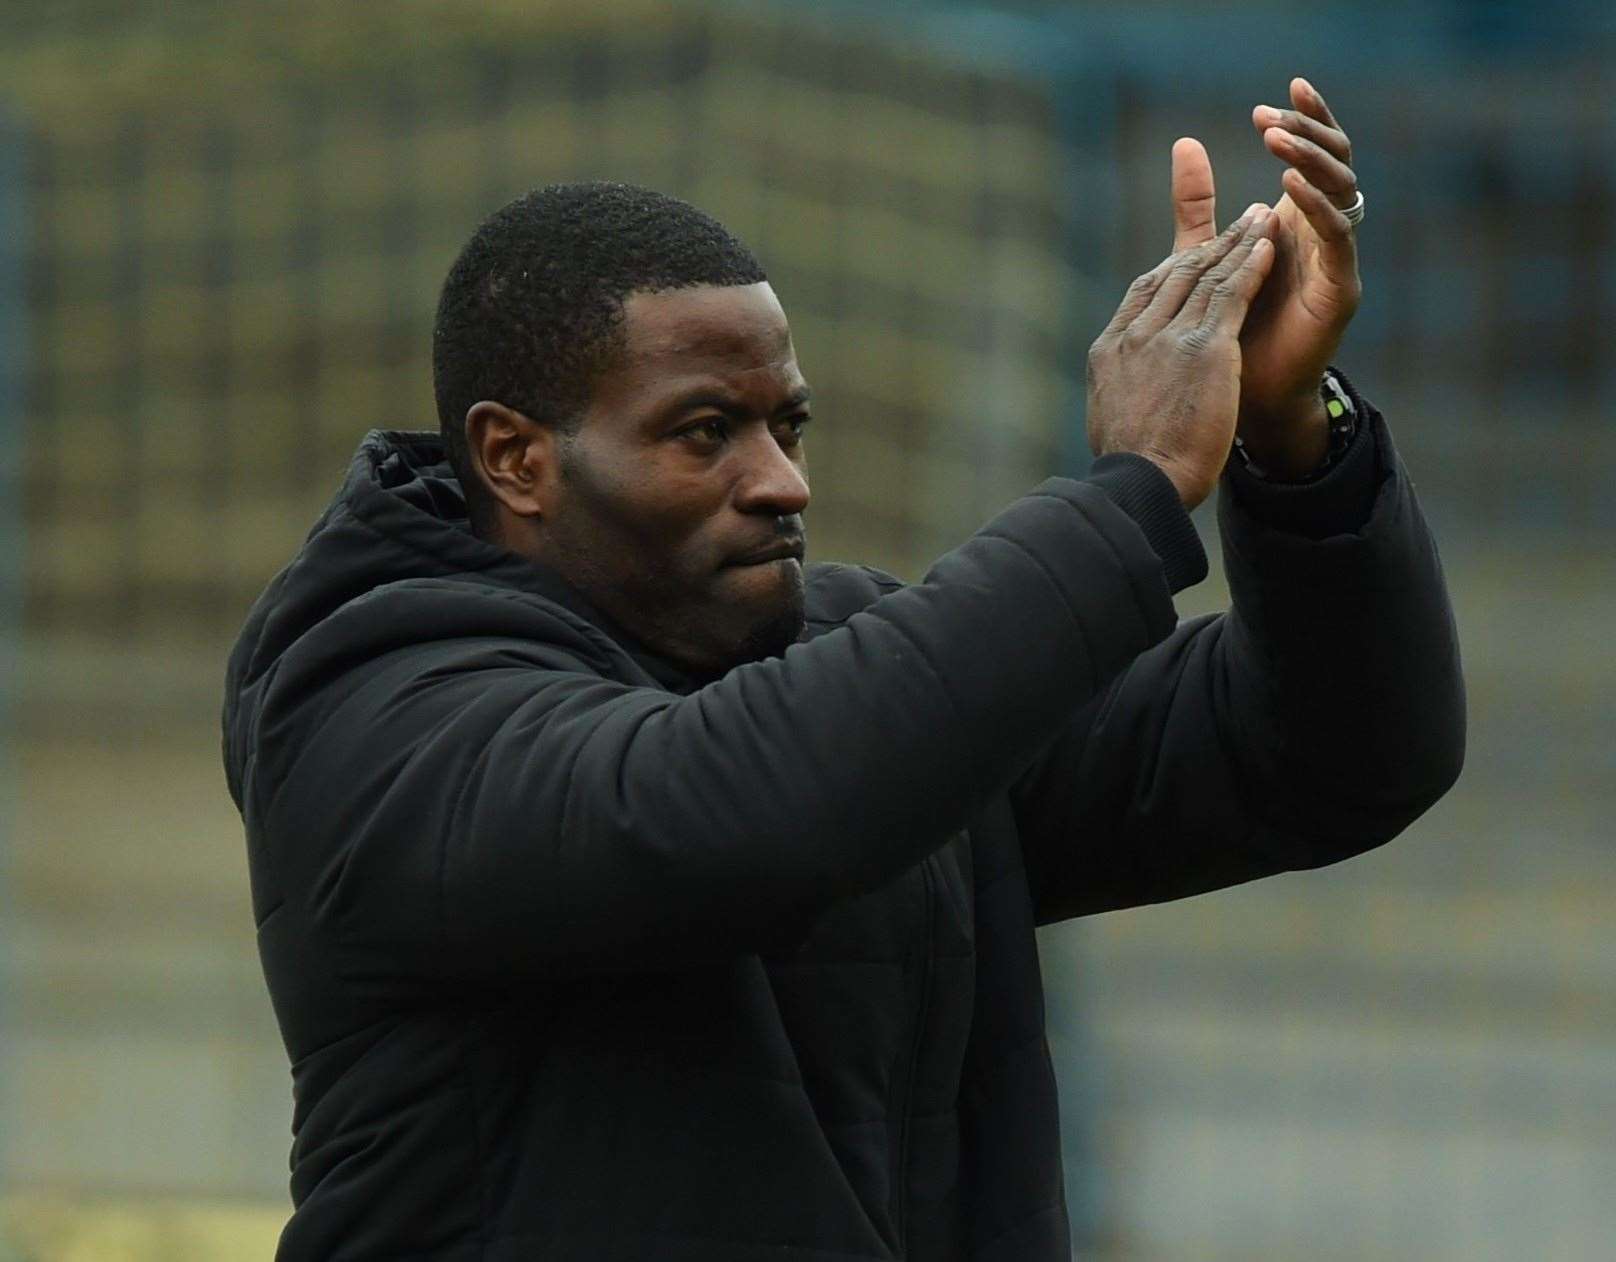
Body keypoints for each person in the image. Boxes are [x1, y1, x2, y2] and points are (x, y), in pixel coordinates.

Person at [223, 78, 1463, 1262]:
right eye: (704, 432)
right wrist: (1132, 492)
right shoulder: (373, 699)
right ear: (514, 459)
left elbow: (1338, 754)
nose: (781, 481)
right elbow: (736, 814)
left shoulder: (852, 675)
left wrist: (1295, 437)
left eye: (785, 425)